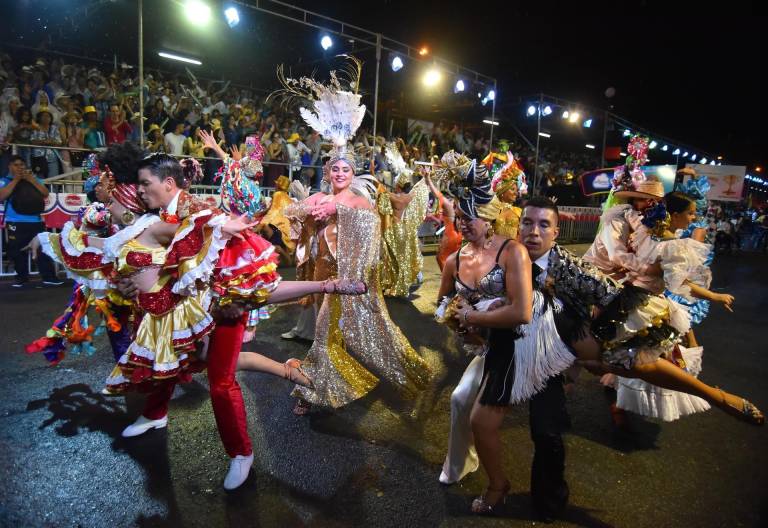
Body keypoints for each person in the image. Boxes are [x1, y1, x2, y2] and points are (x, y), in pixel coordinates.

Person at [273, 58, 432, 415]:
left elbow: (370, 225)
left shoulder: (357, 201)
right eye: (336, 169)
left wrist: (337, 211)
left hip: (347, 280)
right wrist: (305, 212)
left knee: (331, 335)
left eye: (346, 169)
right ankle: (342, 379)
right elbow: (291, 214)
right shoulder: (322, 196)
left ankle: (313, 391)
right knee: (332, 333)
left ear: (352, 172)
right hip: (321, 279)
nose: (341, 173)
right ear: (328, 172)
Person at [431, 151, 534, 515]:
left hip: (520, 343)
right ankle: (460, 463)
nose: (463, 222)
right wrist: (454, 317)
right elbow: (440, 303)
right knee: (460, 399)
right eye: (460, 216)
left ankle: (496, 483)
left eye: (469, 216)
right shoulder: (455, 260)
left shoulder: (511, 252)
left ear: (489, 218)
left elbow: (522, 312)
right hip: (485, 348)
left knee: (476, 408)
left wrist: (475, 316)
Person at [0, 155, 60, 287]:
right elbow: (1, 196)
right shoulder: (4, 180)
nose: (20, 167)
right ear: (9, 166)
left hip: (36, 220)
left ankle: (49, 277)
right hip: (16, 221)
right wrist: (16, 180)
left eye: (22, 164)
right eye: (16, 165)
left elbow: (45, 193)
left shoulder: (33, 179)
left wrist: (32, 180)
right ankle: (21, 278)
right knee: (17, 251)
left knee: (42, 249)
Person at [379, 143, 430, 297]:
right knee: (401, 259)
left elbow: (380, 191)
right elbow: (421, 189)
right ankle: (396, 283)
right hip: (407, 230)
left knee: (394, 258)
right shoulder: (410, 197)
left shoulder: (393, 197)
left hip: (395, 230)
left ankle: (398, 285)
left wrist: (375, 176)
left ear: (399, 186)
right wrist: (425, 179)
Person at [30, 110, 61, 179]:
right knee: (39, 180)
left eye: (48, 116)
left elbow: (59, 142)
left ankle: (53, 190)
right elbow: (31, 141)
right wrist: (43, 142)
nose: (46, 118)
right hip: (38, 157)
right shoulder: (35, 127)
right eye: (44, 116)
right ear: (39, 118)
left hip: (52, 158)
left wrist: (51, 142)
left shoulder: (54, 128)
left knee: (54, 180)